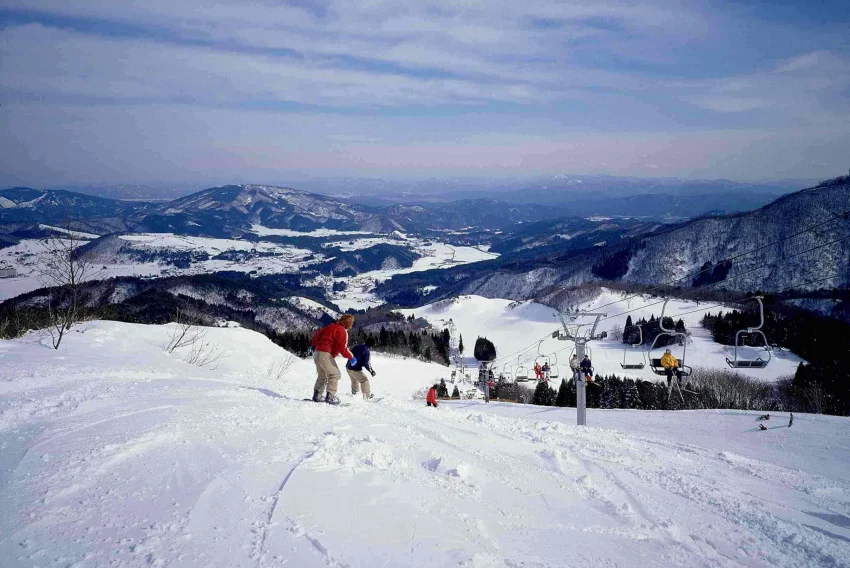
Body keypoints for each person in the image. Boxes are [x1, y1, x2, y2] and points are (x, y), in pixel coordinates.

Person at [310, 314, 355, 405]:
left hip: (317, 353)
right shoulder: (342, 331)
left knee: (322, 375)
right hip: (325, 354)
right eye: (351, 322)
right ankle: (330, 397)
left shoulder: (330, 326)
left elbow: (318, 334)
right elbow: (342, 348)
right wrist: (351, 357)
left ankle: (317, 396)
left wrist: (314, 345)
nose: (352, 324)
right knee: (334, 374)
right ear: (348, 323)